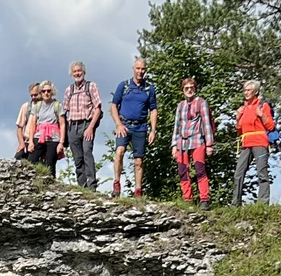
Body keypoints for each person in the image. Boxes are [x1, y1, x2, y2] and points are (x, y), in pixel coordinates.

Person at [110, 58, 159, 198]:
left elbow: (153, 109)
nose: (140, 71)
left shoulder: (149, 89)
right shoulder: (124, 86)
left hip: (140, 126)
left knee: (139, 161)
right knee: (119, 152)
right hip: (124, 125)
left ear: (146, 70)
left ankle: (138, 191)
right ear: (133, 69)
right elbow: (113, 105)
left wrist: (153, 130)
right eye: (138, 68)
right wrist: (118, 124)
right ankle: (116, 184)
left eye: (143, 69)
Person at [169, 76, 214, 205]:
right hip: (181, 143)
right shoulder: (180, 105)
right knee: (182, 171)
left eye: (191, 88)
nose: (189, 90)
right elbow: (177, 126)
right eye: (186, 88)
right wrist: (174, 145)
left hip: (197, 141)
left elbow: (206, 124)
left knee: (200, 169)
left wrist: (209, 144)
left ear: (195, 89)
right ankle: (187, 199)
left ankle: (204, 199)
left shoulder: (201, 102)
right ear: (183, 90)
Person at [231, 79, 275, 205]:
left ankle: (263, 203)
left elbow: (271, 126)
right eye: (245, 90)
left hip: (260, 143)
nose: (246, 92)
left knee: (262, 173)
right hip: (246, 143)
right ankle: (235, 203)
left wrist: (261, 115)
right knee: (238, 173)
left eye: (249, 90)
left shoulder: (263, 106)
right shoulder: (243, 108)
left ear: (256, 92)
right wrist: (238, 117)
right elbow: (239, 130)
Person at [62, 61, 103, 190]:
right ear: (71, 74)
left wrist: (91, 127)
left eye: (79, 71)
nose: (77, 73)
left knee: (87, 153)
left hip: (87, 124)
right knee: (77, 158)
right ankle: (82, 187)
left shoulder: (91, 86)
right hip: (72, 126)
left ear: (83, 72)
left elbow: (98, 108)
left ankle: (92, 186)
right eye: (74, 71)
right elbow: (64, 111)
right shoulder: (69, 90)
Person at [26, 80, 64, 177]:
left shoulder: (57, 105)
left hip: (53, 138)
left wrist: (61, 143)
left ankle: (51, 186)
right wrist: (30, 141)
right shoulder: (37, 106)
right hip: (39, 136)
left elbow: (62, 124)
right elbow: (32, 124)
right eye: (43, 91)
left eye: (48, 91)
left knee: (50, 164)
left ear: (52, 92)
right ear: (40, 92)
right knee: (31, 161)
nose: (46, 93)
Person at [15, 81, 43, 158]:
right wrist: (21, 143)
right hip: (27, 141)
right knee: (17, 160)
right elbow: (19, 128)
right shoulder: (26, 107)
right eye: (32, 95)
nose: (34, 97)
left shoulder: (46, 107)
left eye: (36, 95)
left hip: (39, 141)